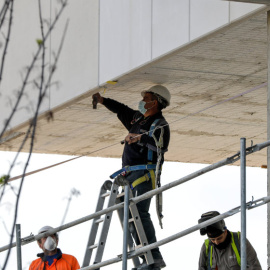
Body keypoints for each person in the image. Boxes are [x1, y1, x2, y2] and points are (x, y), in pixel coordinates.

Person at [92, 85, 171, 270]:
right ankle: (145, 257)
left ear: (156, 102)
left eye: (147, 98)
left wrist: (140, 138)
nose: (143, 101)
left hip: (145, 173)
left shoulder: (160, 124)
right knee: (130, 217)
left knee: (140, 214)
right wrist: (103, 101)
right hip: (129, 174)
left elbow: (161, 147)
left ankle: (154, 258)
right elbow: (121, 109)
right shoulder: (138, 119)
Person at [198, 211, 262, 270]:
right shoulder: (206, 246)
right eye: (213, 239)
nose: (216, 242)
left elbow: (255, 266)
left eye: (219, 238)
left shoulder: (239, 240)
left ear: (225, 231)